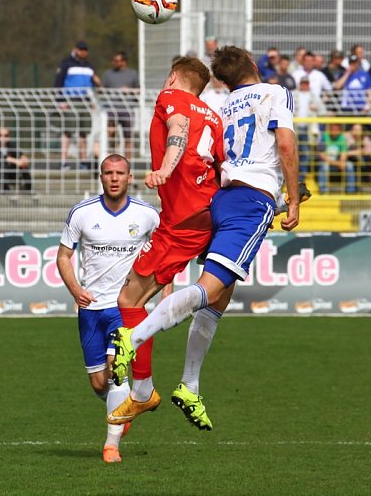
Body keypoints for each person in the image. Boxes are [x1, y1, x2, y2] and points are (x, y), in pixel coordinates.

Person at [110, 45, 300, 431]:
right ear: (252, 65)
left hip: (217, 202)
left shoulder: (224, 107)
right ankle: (136, 340)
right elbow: (282, 145)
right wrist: (291, 198)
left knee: (216, 293)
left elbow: (226, 162)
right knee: (210, 289)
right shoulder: (266, 95)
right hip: (232, 204)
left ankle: (187, 386)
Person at [104, 56, 224, 427]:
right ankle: (189, 383)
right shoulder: (216, 117)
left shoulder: (171, 97)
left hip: (183, 221)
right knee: (212, 299)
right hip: (213, 215)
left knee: (128, 299)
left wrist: (165, 169)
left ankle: (143, 391)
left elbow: (179, 128)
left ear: (173, 77)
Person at [57, 154, 159, 463]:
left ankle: (111, 444)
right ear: (101, 177)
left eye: (120, 173)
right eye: (108, 173)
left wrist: (164, 295)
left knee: (117, 370)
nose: (114, 178)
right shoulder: (82, 213)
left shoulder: (147, 214)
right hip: (91, 309)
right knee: (99, 383)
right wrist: (75, 289)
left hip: (125, 306)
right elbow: (63, 257)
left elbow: (165, 257)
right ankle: (126, 404)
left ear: (130, 178)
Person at [54, 41, 101, 170]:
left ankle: (83, 161)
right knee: (68, 131)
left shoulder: (89, 66)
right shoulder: (66, 63)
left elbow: (94, 83)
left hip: (85, 100)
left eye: (85, 50)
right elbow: (58, 82)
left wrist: (92, 100)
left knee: (83, 132)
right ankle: (64, 161)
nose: (83, 52)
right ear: (75, 50)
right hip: (70, 100)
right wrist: (60, 101)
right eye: (81, 49)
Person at [102, 51, 140, 160]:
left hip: (127, 109)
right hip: (112, 108)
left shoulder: (132, 73)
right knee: (111, 133)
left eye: (117, 61)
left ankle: (128, 162)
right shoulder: (108, 74)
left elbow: (139, 90)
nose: (114, 63)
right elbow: (102, 90)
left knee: (128, 137)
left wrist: (129, 90)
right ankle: (114, 158)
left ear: (124, 62)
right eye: (113, 60)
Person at [0, 127, 32, 192]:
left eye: (6, 135)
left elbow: (19, 153)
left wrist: (23, 159)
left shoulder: (11, 145)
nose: (3, 138)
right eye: (0, 135)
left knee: (23, 165)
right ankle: (5, 189)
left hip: (8, 172)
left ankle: (28, 188)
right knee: (4, 165)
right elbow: (2, 158)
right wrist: (17, 161)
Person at [317, 122, 356, 194]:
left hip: (337, 163)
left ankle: (351, 191)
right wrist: (338, 163)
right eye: (333, 129)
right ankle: (323, 191)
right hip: (328, 163)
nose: (334, 131)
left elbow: (344, 153)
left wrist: (341, 162)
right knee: (324, 166)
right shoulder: (324, 137)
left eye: (336, 129)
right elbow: (322, 155)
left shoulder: (342, 138)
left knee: (350, 165)